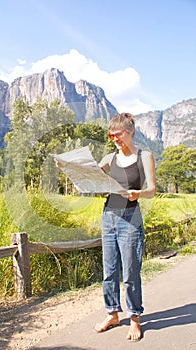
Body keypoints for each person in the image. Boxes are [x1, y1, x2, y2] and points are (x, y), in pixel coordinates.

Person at [94, 112, 156, 341]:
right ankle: (112, 314)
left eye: (118, 135)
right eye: (111, 136)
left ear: (130, 132)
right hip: (108, 217)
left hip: (130, 218)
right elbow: (90, 176)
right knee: (109, 271)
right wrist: (68, 168)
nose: (114, 139)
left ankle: (134, 318)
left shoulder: (144, 156)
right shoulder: (110, 159)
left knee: (130, 272)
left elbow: (152, 190)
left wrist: (138, 193)